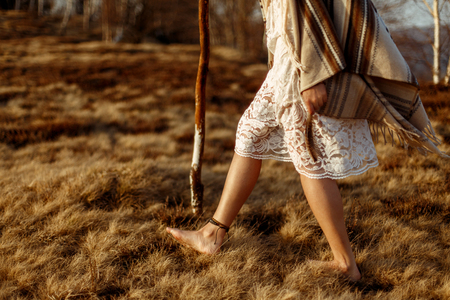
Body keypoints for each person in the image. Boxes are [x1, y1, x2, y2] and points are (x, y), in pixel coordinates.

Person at [167, 0, 448, 282]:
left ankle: (345, 264)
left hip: (302, 63)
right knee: (251, 134)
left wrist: (313, 76)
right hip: (290, 55)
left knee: (307, 151)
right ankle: (213, 233)